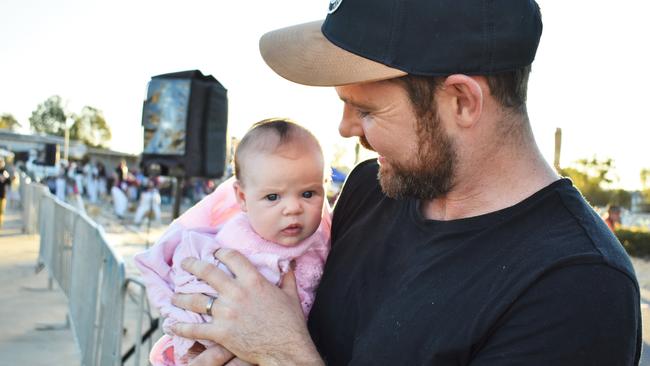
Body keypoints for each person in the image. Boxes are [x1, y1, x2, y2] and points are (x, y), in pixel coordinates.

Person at [169, 1, 641, 365]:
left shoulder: (579, 286)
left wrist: (282, 353)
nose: (345, 129)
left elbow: (281, 340)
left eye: (368, 109)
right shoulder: (370, 190)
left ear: (461, 100)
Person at [134, 119, 331, 366]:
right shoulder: (230, 244)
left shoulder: (326, 235)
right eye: (273, 197)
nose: (293, 208)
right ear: (242, 198)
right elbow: (194, 294)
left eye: (308, 193)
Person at [0, 158, 11, 227]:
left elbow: (9, 182)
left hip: (2, 194)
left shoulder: (5, 172)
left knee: (1, 211)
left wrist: (5, 178)